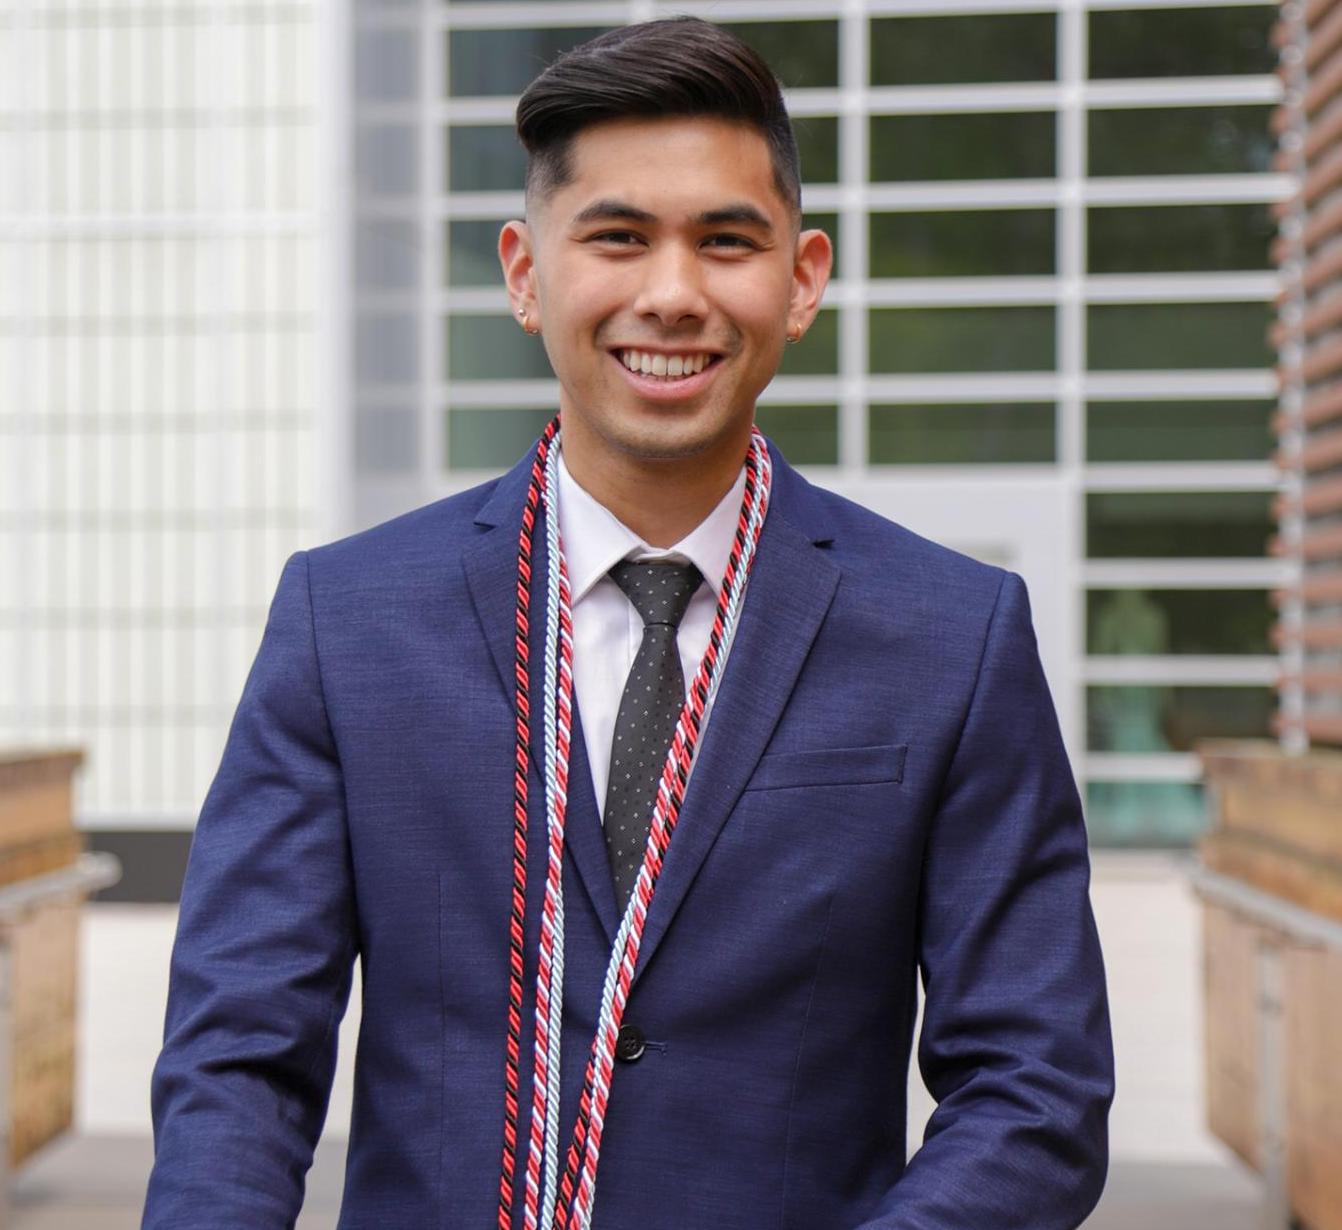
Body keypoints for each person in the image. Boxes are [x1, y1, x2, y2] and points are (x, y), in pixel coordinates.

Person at [143, 17, 1113, 1230]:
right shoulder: (348, 622)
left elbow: (1036, 1091)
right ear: (523, 272)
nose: (670, 293)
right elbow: (239, 1060)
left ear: (801, 278)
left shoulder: (950, 638)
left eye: (724, 241)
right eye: (616, 236)